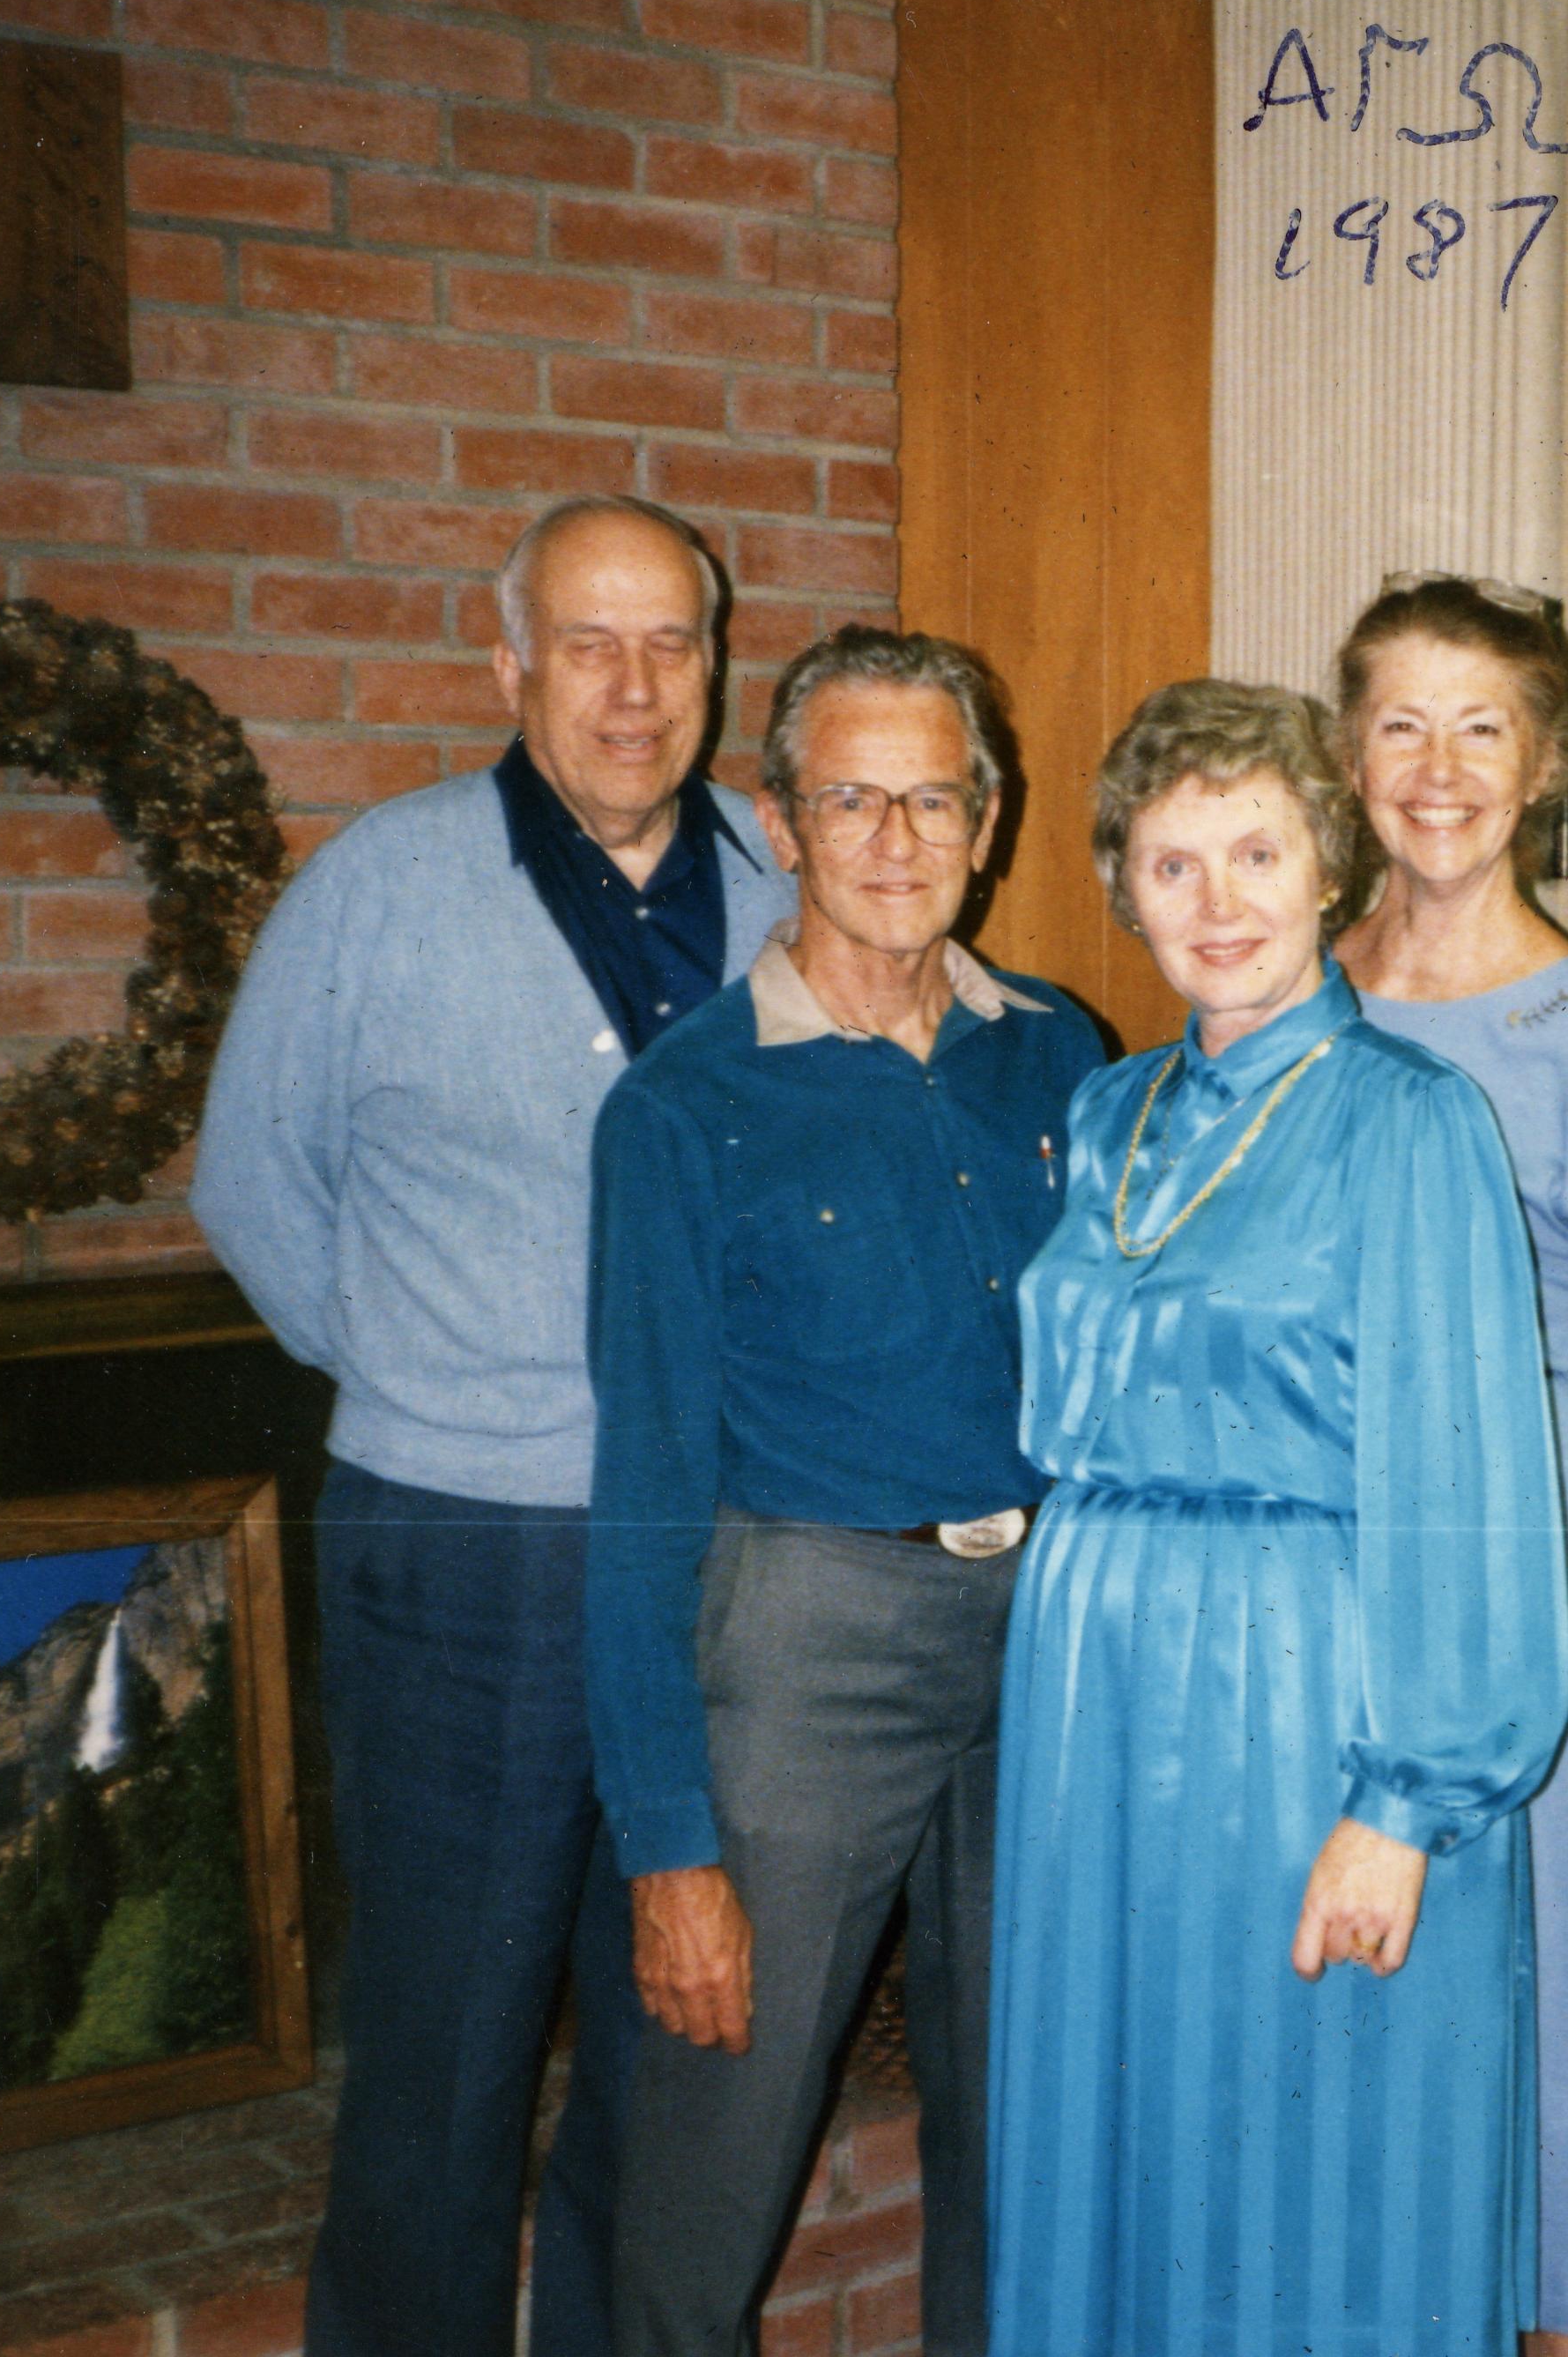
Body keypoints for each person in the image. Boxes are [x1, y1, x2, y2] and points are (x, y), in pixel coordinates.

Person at [192, 495, 788, 2357]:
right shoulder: (382, 883)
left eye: (672, 643)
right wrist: (431, 1381)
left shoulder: (783, 889)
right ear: (508, 658)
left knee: (664, 2050)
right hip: (466, 1558)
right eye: (588, 643)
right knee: (443, 2060)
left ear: (716, 663)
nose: (634, 687)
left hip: (717, 1558)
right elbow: (251, 1183)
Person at [985, 679, 1568, 2357]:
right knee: (1124, 2128)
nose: (1219, 902)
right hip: (1102, 1711)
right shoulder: (1108, 1110)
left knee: (1310, 2160)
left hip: (1308, 1707)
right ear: (1126, 888)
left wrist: (1407, 1800)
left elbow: (1468, 1485)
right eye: (1173, 865)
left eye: (1257, 853)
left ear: (1329, 865)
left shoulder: (1412, 1118)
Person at [582, 627, 1104, 2356]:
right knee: (714, 2145)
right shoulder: (687, 1105)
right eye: (852, 800)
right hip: (809, 1639)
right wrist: (669, 1847)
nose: (896, 837)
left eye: (934, 798)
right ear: (781, 824)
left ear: (991, 820)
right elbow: (644, 1488)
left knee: (1028, 2131)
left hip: (1050, 1631)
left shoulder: (1062, 1053)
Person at [1331, 576, 1568, 2357]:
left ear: (1549, 766)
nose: (1440, 766)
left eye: (1484, 728)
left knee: (1540, 2060)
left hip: (1516, 1618)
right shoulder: (1294, 987)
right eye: (1402, 722)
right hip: (1313, 1597)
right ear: (1349, 753)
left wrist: (1523, 1636)